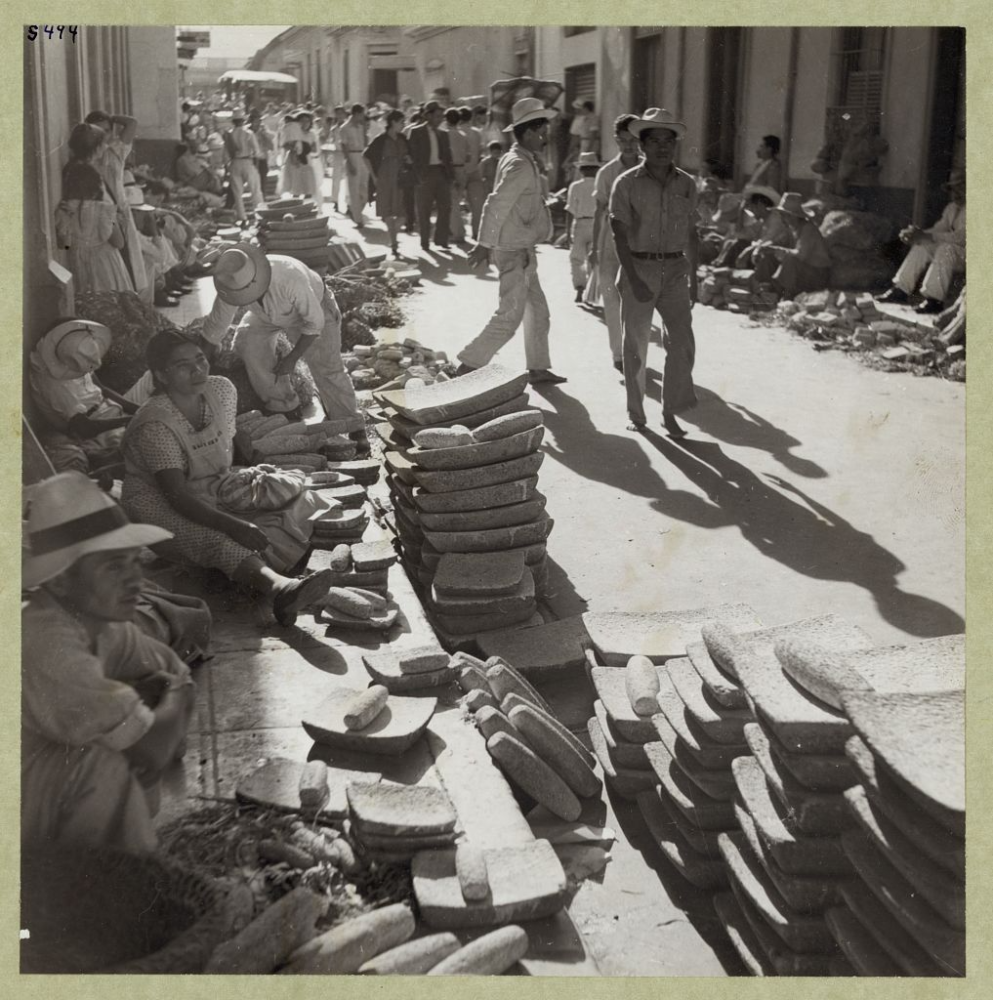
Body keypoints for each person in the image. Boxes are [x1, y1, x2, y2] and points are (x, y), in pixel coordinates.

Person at [22, 472, 195, 853]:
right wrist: (169, 704)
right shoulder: (44, 640)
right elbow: (157, 745)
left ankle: (109, 862)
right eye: (114, 567)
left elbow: (177, 686)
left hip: (36, 786)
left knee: (128, 746)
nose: (136, 580)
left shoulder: (107, 627)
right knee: (102, 769)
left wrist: (162, 716)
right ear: (61, 581)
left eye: (136, 563)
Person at [120, 331, 335, 626]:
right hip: (156, 500)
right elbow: (177, 496)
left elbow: (227, 443)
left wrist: (250, 476)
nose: (198, 370)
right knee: (218, 537)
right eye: (183, 365)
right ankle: (280, 588)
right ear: (162, 375)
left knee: (300, 494)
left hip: (209, 481)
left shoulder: (221, 390)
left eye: (200, 359)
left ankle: (239, 567)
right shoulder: (155, 423)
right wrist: (234, 523)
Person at [200, 244, 369, 451]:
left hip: (314, 311)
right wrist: (201, 370)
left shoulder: (289, 277)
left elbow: (314, 324)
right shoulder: (232, 282)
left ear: (255, 280)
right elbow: (214, 329)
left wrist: (291, 359)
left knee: (327, 368)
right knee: (247, 340)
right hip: (267, 315)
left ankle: (353, 425)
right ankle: (284, 404)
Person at [457, 98, 566, 385]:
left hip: (523, 248)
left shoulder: (522, 159)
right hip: (512, 250)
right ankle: (469, 364)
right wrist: (484, 244)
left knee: (538, 312)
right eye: (542, 131)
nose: (546, 137)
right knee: (510, 316)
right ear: (528, 132)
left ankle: (538, 367)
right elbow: (496, 204)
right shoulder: (519, 163)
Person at [610, 108, 698, 437]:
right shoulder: (626, 183)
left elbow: (692, 232)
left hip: (676, 270)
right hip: (639, 268)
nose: (663, 147)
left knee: (683, 342)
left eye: (668, 141)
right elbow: (618, 233)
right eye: (655, 141)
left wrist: (696, 280)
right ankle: (637, 414)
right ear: (642, 145)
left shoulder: (687, 183)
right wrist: (632, 279)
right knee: (636, 345)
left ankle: (671, 410)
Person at [28, 320, 135, 476]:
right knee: (143, 455)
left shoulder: (74, 348)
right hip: (100, 432)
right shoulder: (53, 383)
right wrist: (129, 420)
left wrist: (138, 410)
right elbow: (84, 428)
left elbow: (102, 389)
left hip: (112, 412)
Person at [588, 114, 642, 371]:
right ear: (616, 141)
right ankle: (619, 355)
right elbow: (599, 211)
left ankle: (635, 350)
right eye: (623, 141)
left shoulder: (650, 170)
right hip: (610, 240)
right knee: (611, 296)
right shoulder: (606, 173)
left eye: (633, 141)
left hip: (642, 242)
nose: (629, 146)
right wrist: (592, 249)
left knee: (637, 299)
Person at [54, 123, 133, 295]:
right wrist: (115, 220)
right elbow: (118, 241)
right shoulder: (94, 187)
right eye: (103, 144)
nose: (105, 147)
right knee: (110, 304)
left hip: (77, 257)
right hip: (102, 262)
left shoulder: (70, 171)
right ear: (96, 148)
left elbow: (64, 243)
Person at [877, 168, 965, 314]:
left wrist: (927, 236)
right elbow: (940, 228)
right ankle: (901, 290)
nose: (956, 193)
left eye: (961, 187)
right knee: (923, 244)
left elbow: (962, 238)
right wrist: (918, 235)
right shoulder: (952, 208)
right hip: (957, 251)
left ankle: (934, 301)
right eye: (953, 188)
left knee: (946, 249)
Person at [84, 110, 150, 303]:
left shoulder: (116, 150)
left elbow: (132, 122)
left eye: (106, 130)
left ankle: (136, 304)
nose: (103, 135)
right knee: (116, 266)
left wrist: (110, 119)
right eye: (98, 131)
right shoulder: (87, 157)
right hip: (103, 216)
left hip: (121, 211)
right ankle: (125, 305)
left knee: (131, 260)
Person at [751, 192, 832, 300]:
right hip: (801, 272)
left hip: (816, 275)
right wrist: (763, 248)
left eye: (784, 215)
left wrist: (779, 250)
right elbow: (778, 242)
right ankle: (762, 288)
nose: (782, 218)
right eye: (782, 215)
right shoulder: (791, 228)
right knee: (769, 257)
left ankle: (783, 295)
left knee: (790, 259)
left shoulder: (808, 229)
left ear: (793, 216)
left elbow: (801, 255)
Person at [364, 110, 413, 259]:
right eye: (401, 122)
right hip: (385, 177)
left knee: (402, 212)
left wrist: (409, 160)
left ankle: (393, 235)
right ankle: (394, 242)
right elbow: (365, 156)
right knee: (386, 211)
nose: (403, 125)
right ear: (393, 122)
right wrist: (373, 177)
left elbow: (409, 155)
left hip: (400, 178)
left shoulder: (403, 138)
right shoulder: (381, 139)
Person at [407, 101, 454, 250]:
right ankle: (425, 241)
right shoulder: (416, 132)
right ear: (428, 116)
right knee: (424, 209)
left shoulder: (444, 134)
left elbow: (448, 156)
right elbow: (411, 155)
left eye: (442, 116)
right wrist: (417, 175)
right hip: (425, 174)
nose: (440, 119)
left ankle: (441, 240)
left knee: (446, 207)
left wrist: (451, 176)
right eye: (437, 116)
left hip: (441, 173)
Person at [566, 152, 600, 303]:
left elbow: (570, 210)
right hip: (597, 224)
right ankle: (591, 292)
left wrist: (567, 232)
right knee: (594, 259)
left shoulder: (575, 186)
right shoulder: (600, 185)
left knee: (577, 259)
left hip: (580, 224)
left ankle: (580, 288)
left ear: (581, 170)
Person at [223, 111, 265, 225]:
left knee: (237, 193)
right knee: (255, 190)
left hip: (234, 163)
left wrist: (227, 168)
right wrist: (260, 156)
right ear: (243, 121)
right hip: (247, 161)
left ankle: (242, 218)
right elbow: (256, 151)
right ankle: (260, 214)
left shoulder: (229, 135)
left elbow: (226, 155)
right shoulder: (248, 133)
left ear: (233, 122)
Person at [277, 109, 318, 200]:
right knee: (296, 187)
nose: (305, 123)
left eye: (307, 121)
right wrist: (294, 149)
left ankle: (307, 206)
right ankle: (296, 207)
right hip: (294, 160)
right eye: (302, 121)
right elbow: (284, 145)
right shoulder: (293, 131)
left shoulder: (312, 134)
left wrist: (306, 147)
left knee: (308, 186)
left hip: (306, 160)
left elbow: (314, 149)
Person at [340, 104, 370, 225]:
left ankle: (354, 211)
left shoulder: (361, 127)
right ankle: (358, 219)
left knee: (364, 190)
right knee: (354, 188)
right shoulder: (345, 128)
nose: (363, 117)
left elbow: (366, 143)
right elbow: (344, 146)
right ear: (357, 114)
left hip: (362, 155)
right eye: (362, 114)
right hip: (352, 156)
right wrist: (349, 163)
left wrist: (365, 131)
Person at [443, 107, 469, 245]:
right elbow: (468, 156)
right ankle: (459, 231)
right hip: (462, 169)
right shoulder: (463, 135)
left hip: (450, 170)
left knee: (452, 204)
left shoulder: (445, 135)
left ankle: (458, 233)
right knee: (456, 203)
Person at [463, 105, 487, 240]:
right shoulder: (477, 133)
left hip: (458, 171)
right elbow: (481, 152)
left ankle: (456, 232)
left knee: (454, 205)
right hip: (474, 170)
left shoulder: (451, 132)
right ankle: (476, 232)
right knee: (477, 205)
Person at [327, 106, 348, 213]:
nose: (339, 116)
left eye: (341, 113)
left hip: (348, 154)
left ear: (345, 114)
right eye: (337, 113)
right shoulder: (334, 128)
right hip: (337, 154)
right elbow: (330, 142)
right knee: (336, 179)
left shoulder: (349, 126)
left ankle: (349, 203)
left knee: (348, 180)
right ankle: (335, 201)